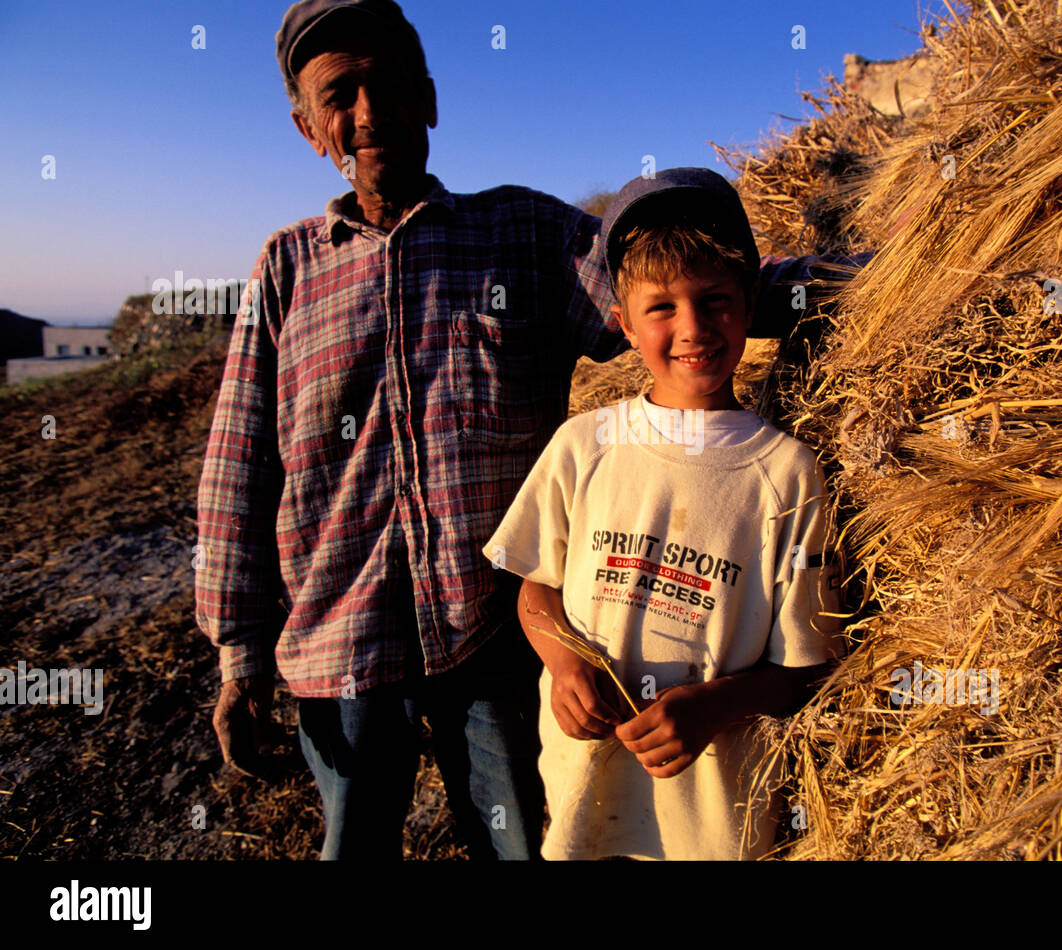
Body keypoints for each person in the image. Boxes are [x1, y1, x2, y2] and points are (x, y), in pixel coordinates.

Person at [196, 0, 856, 861]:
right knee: (351, 845)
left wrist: (879, 275)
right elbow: (237, 466)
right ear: (305, 125)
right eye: (340, 93)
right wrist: (240, 652)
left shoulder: (523, 233)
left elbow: (676, 283)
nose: (367, 111)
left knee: (517, 844)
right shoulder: (286, 268)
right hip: (338, 641)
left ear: (428, 97)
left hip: (491, 641)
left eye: (387, 82)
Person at [483, 168, 841, 860]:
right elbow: (535, 590)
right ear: (621, 322)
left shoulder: (786, 474)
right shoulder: (584, 445)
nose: (692, 329)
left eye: (714, 300)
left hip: (709, 823)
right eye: (661, 308)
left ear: (750, 300)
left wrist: (713, 707)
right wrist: (564, 665)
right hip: (586, 803)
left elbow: (803, 670)